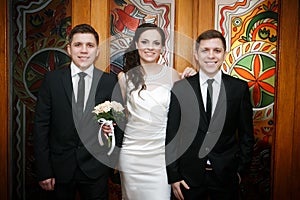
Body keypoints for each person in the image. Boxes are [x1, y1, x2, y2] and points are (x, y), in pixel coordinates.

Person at [34, 23, 124, 200]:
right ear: (69, 49)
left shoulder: (109, 82)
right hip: (58, 169)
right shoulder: (52, 80)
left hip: (96, 169)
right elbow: (40, 127)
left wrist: (111, 157)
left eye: (89, 45)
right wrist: (44, 170)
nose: (84, 50)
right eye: (78, 45)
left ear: (97, 51)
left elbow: (119, 124)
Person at [165, 29, 255, 200]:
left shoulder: (239, 88)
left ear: (224, 54)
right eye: (205, 50)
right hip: (188, 178)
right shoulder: (181, 88)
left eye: (217, 50)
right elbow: (172, 135)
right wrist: (174, 176)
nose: (211, 56)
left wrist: (241, 170)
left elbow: (246, 135)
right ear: (196, 55)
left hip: (226, 177)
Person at [114, 23, 196, 200]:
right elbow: (122, 118)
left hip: (161, 156)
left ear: (162, 47)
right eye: (144, 42)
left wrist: (193, 77)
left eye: (156, 43)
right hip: (132, 155)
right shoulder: (124, 78)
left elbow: (187, 113)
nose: (150, 47)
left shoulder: (175, 76)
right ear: (136, 44)